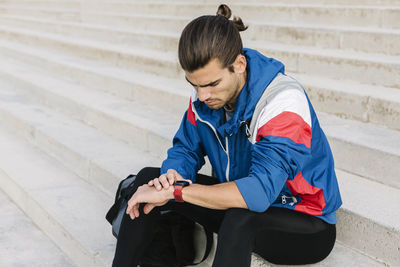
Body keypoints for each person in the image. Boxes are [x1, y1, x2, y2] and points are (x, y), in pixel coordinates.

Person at [112, 4, 342, 267]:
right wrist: (172, 177)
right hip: (236, 201)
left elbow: (257, 193)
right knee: (147, 180)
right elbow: (185, 149)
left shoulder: (283, 101)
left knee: (239, 220)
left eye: (211, 84)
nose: (202, 95)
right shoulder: (206, 95)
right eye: (194, 84)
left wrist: (177, 193)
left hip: (304, 221)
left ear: (239, 64)